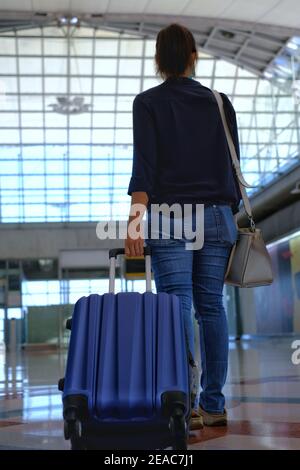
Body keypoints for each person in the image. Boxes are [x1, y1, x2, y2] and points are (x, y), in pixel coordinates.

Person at [125, 23, 241, 430]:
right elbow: (234, 168)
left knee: (176, 308)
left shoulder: (148, 103)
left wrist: (135, 223)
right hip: (216, 216)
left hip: (169, 216)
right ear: (194, 56)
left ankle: (183, 402)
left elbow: (145, 172)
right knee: (212, 307)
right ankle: (214, 403)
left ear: (159, 59)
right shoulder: (219, 102)